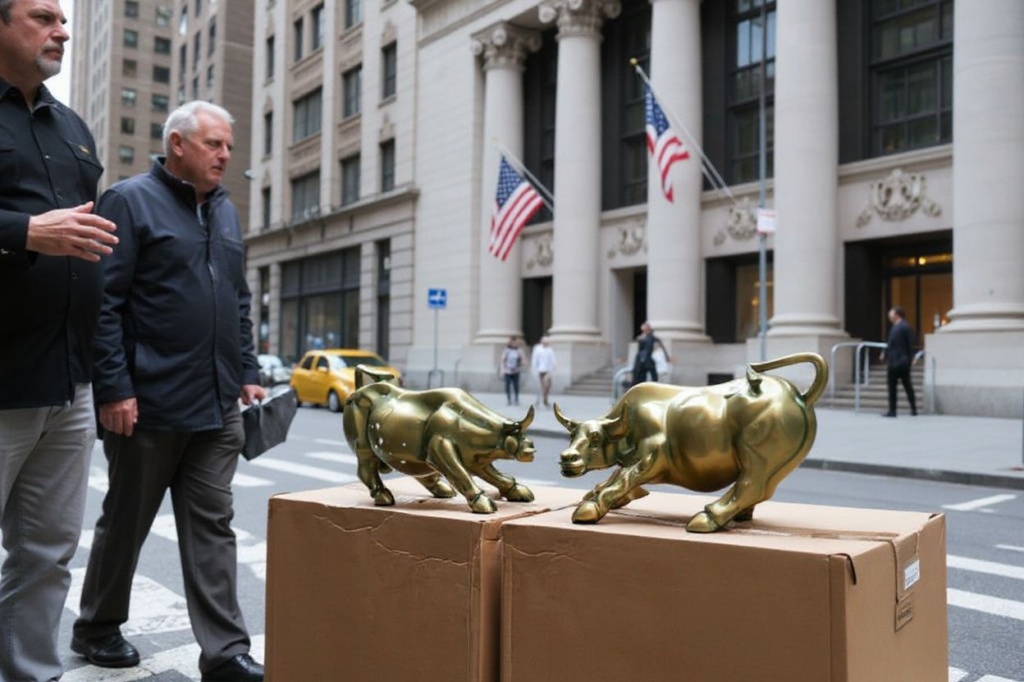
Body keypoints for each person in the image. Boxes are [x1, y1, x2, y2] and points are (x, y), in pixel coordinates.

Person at [72, 101, 266, 682]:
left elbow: (237, 300)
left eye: (228, 145)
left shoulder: (228, 213)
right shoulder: (129, 201)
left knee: (213, 526)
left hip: (218, 402)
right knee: (127, 519)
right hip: (147, 404)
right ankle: (97, 628)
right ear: (177, 144)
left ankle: (226, 651)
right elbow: (102, 303)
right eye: (214, 144)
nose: (226, 155)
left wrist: (249, 371)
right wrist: (114, 387)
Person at [0, 1, 120, 680]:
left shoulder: (73, 127)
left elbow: (91, 254)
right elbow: (40, 233)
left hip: (68, 385)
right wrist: (23, 232)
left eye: (64, 19)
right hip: (3, 376)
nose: (63, 30)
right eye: (44, 16)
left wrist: (104, 375)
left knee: (47, 554)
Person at [880, 306, 918, 417]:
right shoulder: (895, 327)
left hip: (902, 361)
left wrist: (913, 357)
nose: (889, 316)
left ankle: (912, 408)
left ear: (897, 315)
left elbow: (911, 344)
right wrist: (885, 353)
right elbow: (890, 343)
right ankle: (893, 410)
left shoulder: (905, 327)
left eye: (891, 314)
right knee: (894, 386)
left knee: (906, 385)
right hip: (894, 360)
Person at [631, 321, 671, 386]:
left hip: (649, 359)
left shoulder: (653, 338)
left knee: (653, 376)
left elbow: (661, 347)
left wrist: (666, 358)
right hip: (641, 360)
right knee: (639, 376)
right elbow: (640, 348)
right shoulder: (641, 338)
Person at [531, 336, 557, 408]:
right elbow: (535, 359)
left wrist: (554, 367)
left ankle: (545, 398)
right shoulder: (537, 349)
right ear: (542, 342)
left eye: (547, 342)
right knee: (543, 385)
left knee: (548, 385)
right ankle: (542, 400)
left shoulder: (550, 350)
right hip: (540, 370)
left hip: (548, 370)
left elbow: (553, 359)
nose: (546, 343)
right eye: (545, 342)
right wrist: (534, 369)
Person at [500, 335, 524, 406]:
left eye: (515, 342)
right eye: (512, 342)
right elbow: (503, 360)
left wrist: (521, 363)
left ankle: (516, 398)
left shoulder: (519, 351)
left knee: (516, 385)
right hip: (508, 370)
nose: (514, 343)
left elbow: (523, 360)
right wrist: (502, 369)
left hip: (516, 370)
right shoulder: (506, 351)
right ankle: (509, 399)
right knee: (507, 385)